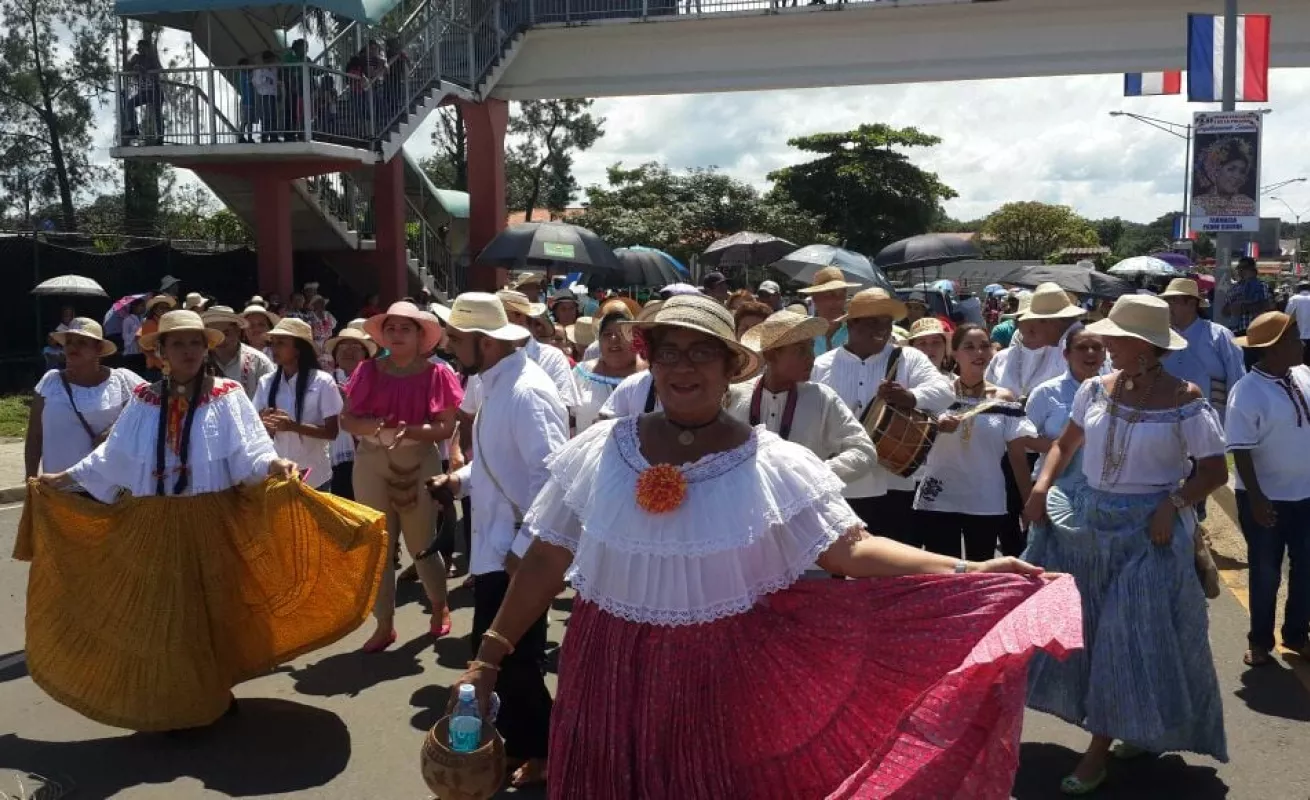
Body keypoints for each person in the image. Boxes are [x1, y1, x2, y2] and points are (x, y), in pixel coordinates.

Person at [443, 294, 1080, 799]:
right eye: (668, 353)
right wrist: (491, 654)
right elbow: (547, 558)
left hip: (720, 674)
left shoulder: (774, 462)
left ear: (727, 370)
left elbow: (848, 551)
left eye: (700, 354)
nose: (683, 367)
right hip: (604, 664)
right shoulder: (605, 448)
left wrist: (968, 568)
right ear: (652, 362)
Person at [21, 309, 385, 732]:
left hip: (212, 518)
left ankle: (210, 694)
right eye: (178, 343)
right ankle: (175, 699)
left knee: (211, 612)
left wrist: (275, 463)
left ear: (206, 348)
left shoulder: (228, 394)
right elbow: (113, 456)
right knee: (164, 614)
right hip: (153, 520)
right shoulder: (144, 400)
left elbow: (251, 449)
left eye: (195, 343)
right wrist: (61, 479)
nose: (189, 351)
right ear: (161, 352)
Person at [1023, 294, 1228, 794]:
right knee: (1094, 633)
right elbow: (1065, 445)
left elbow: (1213, 472)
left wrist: (1173, 504)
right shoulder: (1094, 389)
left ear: (1142, 346)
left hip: (1150, 534)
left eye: (1114, 336)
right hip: (1089, 529)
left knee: (1126, 637)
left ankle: (1098, 754)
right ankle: (1130, 724)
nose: (1105, 343)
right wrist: (1041, 486)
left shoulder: (1185, 398)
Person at [428, 293, 569, 789]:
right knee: (501, 661)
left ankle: (551, 752)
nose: (448, 345)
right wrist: (458, 483)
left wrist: (524, 547)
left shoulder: (526, 391)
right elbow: (495, 466)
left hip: (515, 554)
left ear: (483, 343)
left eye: (456, 338)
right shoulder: (493, 384)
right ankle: (519, 746)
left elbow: (554, 477)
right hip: (495, 548)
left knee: (514, 661)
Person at [342, 301, 461, 651]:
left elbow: (445, 428)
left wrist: (408, 431)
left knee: (421, 543)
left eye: (405, 328)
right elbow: (346, 419)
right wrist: (367, 426)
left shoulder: (438, 374)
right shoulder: (367, 370)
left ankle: (439, 605)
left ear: (421, 335)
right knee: (379, 544)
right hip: (371, 461)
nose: (396, 334)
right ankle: (384, 623)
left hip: (418, 462)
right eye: (391, 328)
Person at [811, 288, 954, 544]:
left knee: (892, 564)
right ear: (852, 324)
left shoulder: (909, 358)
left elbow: (945, 391)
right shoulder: (823, 365)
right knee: (843, 561)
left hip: (894, 483)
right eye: (872, 322)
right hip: (841, 483)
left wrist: (910, 397)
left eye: (887, 322)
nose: (883, 328)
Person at [1225, 311, 1310, 666]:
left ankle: (1296, 635)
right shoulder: (1247, 392)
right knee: (1265, 572)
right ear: (1273, 349)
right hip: (1266, 499)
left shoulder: (1302, 375)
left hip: (1305, 495)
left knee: (1306, 569)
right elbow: (1241, 449)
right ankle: (1260, 641)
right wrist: (1257, 498)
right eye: (1292, 338)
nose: (1301, 343)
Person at [914, 324, 1037, 560]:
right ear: (954, 353)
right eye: (969, 347)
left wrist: (1028, 502)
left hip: (985, 500)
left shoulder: (1004, 398)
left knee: (981, 574)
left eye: (984, 346)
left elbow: (1017, 455)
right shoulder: (936, 393)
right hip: (940, 498)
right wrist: (934, 427)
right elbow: (913, 438)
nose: (978, 353)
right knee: (942, 575)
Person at [728, 310, 876, 488]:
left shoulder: (822, 398)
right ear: (771, 355)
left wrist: (816, 473)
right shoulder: (734, 395)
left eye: (811, 347)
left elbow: (864, 451)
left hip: (804, 506)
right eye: (800, 350)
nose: (811, 357)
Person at [24, 319, 144, 480]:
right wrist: (30, 479)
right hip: (58, 489)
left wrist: (115, 430)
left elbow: (155, 407)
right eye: (69, 342)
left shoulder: (122, 380)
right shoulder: (50, 382)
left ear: (98, 349)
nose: (73, 347)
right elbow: (34, 435)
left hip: (110, 490)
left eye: (82, 342)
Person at [456, 291, 581, 419]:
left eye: (497, 316)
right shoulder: (484, 359)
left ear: (520, 318)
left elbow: (563, 412)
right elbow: (469, 415)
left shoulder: (552, 359)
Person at [254, 319, 342, 492]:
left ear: (298, 349)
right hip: (278, 473)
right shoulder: (266, 382)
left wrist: (292, 426)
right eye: (273, 343)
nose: (274, 348)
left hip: (315, 476)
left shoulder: (323, 382)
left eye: (281, 343)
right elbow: (255, 425)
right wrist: (264, 422)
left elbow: (332, 432)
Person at [1025, 328, 1108, 487]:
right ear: (1066, 354)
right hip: (1055, 487)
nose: (1090, 352)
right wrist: (1066, 446)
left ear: (1105, 354)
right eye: (1082, 347)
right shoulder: (1046, 392)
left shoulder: (1115, 392)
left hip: (1100, 490)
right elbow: (1024, 438)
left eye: (1097, 347)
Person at [1161, 277, 1245, 423]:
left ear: (1192, 303)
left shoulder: (1219, 336)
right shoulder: (1161, 339)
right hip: (1167, 425)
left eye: (1174, 301)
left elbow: (1237, 382)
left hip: (1212, 425)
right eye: (1167, 301)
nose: (1169, 307)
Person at [987, 283, 1085, 400]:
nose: (1019, 325)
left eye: (1034, 319)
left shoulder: (1080, 349)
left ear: (1047, 321)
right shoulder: (1074, 346)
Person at [573, 307, 646, 434]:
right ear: (599, 341)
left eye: (621, 333)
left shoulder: (650, 374)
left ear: (634, 339)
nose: (614, 338)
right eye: (607, 334)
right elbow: (569, 419)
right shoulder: (580, 373)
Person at [325, 326, 376, 499]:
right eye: (343, 347)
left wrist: (350, 401)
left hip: (368, 455)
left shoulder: (375, 381)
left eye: (355, 347)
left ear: (365, 355)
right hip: (332, 458)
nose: (348, 352)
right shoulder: (325, 381)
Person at [203, 306, 275, 398]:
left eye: (226, 333)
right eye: (216, 334)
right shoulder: (199, 362)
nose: (221, 339)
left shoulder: (259, 362)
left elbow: (272, 397)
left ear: (237, 331)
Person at [1192, 136, 1257, 218]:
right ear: (1215, 170)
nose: (1237, 176)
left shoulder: (1249, 205)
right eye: (1231, 169)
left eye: (1242, 172)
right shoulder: (1198, 204)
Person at [800, 267, 860, 356]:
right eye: (829, 294)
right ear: (815, 298)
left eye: (841, 294)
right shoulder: (803, 334)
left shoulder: (857, 331)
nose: (837, 300)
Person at [120, 39, 162, 143]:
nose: (139, 50)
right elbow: (126, 69)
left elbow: (159, 69)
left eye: (142, 47)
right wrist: (132, 64)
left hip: (155, 91)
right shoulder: (137, 58)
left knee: (157, 113)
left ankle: (160, 137)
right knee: (130, 104)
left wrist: (144, 69)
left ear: (147, 48)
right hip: (143, 92)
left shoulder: (152, 58)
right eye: (138, 48)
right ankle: (134, 129)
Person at [138, 294, 176, 379]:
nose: (164, 310)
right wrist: (158, 360)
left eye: (167, 308)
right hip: (156, 368)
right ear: (154, 309)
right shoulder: (149, 324)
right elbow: (143, 346)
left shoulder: (166, 322)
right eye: (161, 307)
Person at [1283, 281, 1310, 365]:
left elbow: (1286, 316)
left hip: (1298, 337)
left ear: (1299, 288)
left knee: (1300, 364)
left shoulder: (1294, 299)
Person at [119, 298, 146, 375]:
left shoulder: (141, 320)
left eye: (144, 306)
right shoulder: (127, 320)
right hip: (131, 353)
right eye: (142, 306)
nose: (144, 308)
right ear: (134, 306)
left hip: (140, 352)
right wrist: (135, 333)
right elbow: (125, 337)